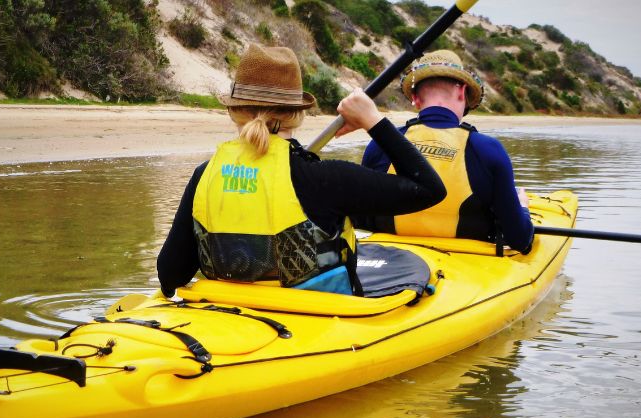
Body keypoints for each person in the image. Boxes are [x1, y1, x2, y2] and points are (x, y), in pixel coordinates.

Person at [157, 44, 446, 297]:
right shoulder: (325, 179)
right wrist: (373, 121)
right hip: (316, 321)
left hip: (232, 319)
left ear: (234, 110)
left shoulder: (205, 175)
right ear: (297, 114)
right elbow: (430, 189)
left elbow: (170, 275)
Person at [355, 50, 534, 254]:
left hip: (389, 263)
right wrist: (523, 208)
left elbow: (361, 220)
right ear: (462, 92)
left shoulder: (380, 144)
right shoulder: (489, 150)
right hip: (466, 272)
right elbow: (519, 239)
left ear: (415, 98)